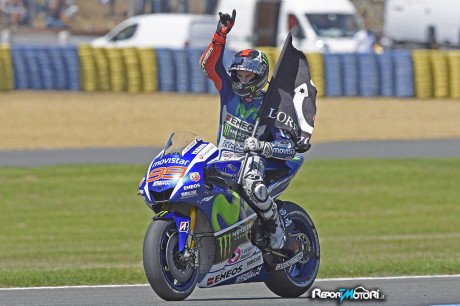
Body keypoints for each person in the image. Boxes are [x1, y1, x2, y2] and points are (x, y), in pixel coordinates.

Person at [199, 9, 296, 249]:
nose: (242, 81)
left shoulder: (272, 104)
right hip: (222, 157)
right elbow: (207, 66)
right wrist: (220, 35)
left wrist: (261, 146)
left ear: (260, 77)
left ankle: (275, 227)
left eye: (248, 76)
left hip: (251, 161)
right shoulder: (228, 92)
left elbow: (289, 146)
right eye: (238, 76)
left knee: (253, 185)